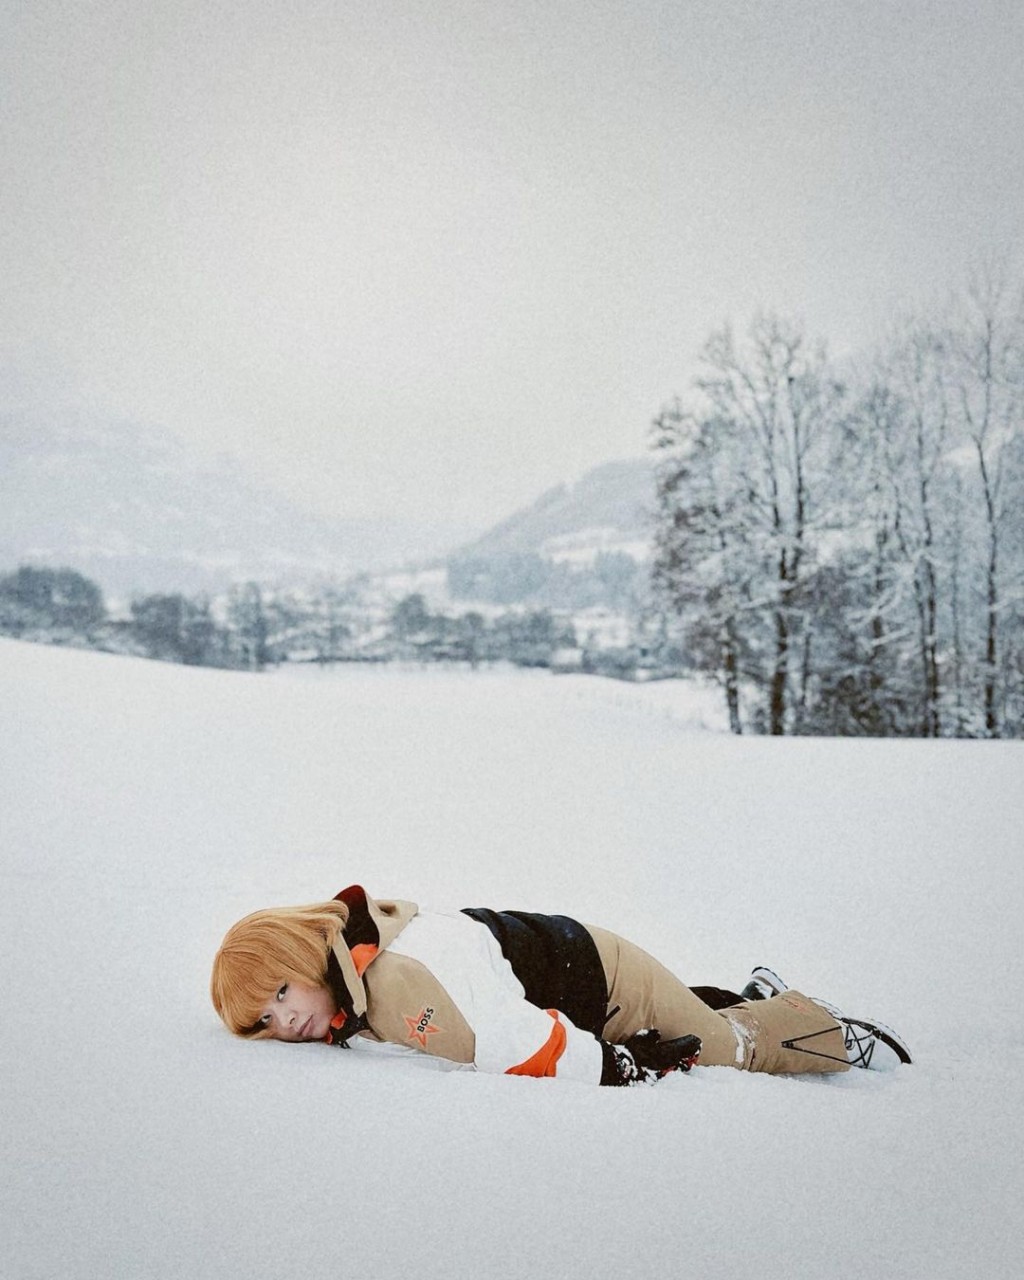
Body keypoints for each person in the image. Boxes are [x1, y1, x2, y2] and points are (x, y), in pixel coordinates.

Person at [210, 884, 912, 1085]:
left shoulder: (401, 978)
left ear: (305, 956)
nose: (284, 1022)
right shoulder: (354, 982)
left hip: (602, 982)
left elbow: (520, 1045)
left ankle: (821, 1028)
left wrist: (620, 1065)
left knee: (725, 1049)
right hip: (574, 984)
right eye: (264, 1021)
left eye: (279, 995)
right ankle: (746, 994)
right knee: (686, 1018)